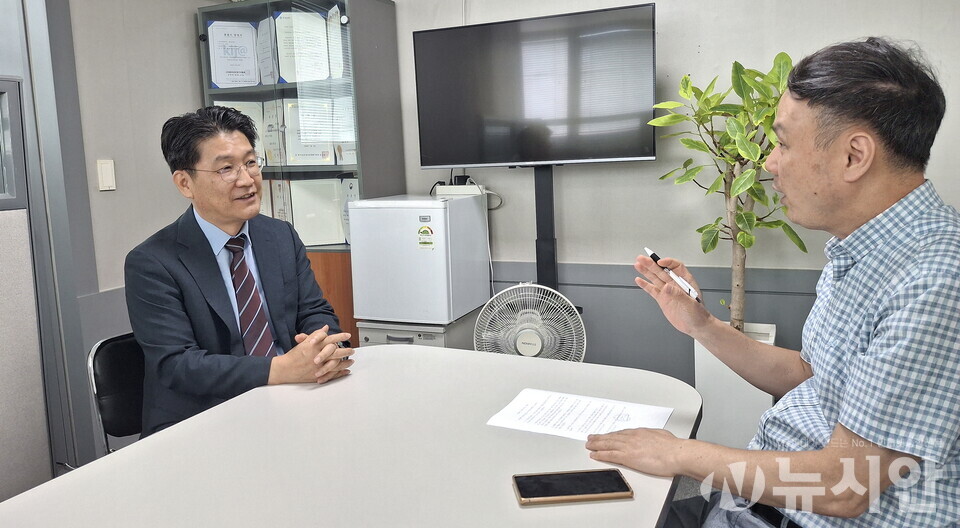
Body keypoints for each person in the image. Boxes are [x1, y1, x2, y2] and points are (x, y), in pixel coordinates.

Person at [587, 37, 960, 527]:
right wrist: (701, 324)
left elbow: (841, 487)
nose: (768, 163)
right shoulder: (864, 246)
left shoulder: (934, 279)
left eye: (783, 143)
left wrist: (680, 455)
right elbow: (813, 374)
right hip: (764, 502)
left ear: (854, 156)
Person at [125, 106, 354, 438]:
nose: (247, 180)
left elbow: (314, 311)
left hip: (291, 399)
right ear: (185, 183)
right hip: (202, 422)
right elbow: (178, 365)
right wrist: (279, 369)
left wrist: (322, 349)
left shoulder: (279, 236)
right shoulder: (153, 262)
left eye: (250, 162)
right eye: (227, 169)